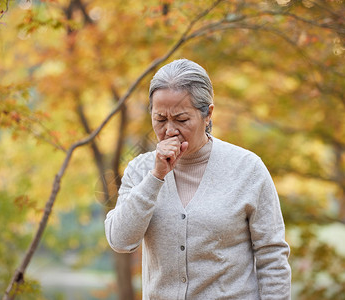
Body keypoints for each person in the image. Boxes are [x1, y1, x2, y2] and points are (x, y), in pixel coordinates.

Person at [104, 59, 291, 299]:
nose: (169, 130)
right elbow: (120, 240)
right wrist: (155, 177)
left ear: (208, 114)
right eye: (160, 119)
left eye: (181, 120)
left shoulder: (247, 168)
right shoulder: (140, 170)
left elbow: (272, 255)